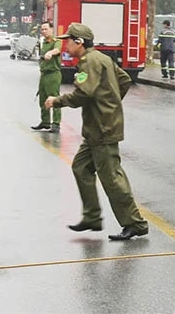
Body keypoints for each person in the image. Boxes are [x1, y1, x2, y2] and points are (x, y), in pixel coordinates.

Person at [44, 23, 149, 240]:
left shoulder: (89, 62)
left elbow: (82, 94)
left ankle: (135, 223)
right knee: (81, 167)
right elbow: (124, 80)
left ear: (79, 42)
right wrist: (110, 103)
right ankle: (92, 217)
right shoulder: (102, 58)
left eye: (68, 40)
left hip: (103, 129)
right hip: (97, 128)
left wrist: (57, 101)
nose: (65, 44)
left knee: (112, 178)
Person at [31, 21, 63, 133]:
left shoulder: (57, 41)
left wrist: (50, 53)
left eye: (46, 29)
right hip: (44, 74)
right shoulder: (43, 42)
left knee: (54, 99)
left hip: (53, 74)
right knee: (43, 99)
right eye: (42, 29)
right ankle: (45, 121)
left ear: (52, 29)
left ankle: (56, 123)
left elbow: (57, 50)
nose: (44, 31)